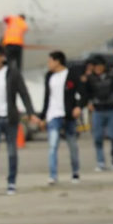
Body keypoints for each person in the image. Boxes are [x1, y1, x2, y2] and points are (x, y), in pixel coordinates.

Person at [0, 45, 37, 196]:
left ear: (2, 57)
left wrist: (30, 112)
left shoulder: (12, 73)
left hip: (10, 118)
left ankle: (11, 182)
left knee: (12, 151)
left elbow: (23, 93)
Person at [39, 51, 86, 184]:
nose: (48, 64)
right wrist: (43, 117)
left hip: (68, 115)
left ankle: (75, 172)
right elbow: (47, 97)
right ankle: (53, 175)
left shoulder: (71, 75)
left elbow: (82, 93)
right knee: (53, 145)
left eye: (50, 61)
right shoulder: (49, 76)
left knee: (72, 145)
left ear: (57, 61)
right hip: (53, 115)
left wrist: (78, 106)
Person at [85, 56, 113, 171]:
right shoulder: (90, 78)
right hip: (98, 109)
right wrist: (88, 102)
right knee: (98, 137)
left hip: (111, 108)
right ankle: (100, 161)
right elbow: (87, 91)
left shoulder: (112, 75)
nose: (97, 69)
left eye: (99, 66)